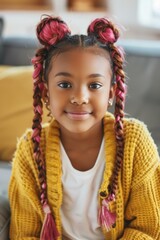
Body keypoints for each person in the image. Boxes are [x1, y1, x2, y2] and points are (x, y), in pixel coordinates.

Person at [8, 15, 160, 240]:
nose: (79, 97)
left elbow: (147, 228)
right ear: (46, 92)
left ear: (110, 93)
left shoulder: (135, 142)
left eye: (95, 85)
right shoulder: (30, 150)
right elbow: (24, 233)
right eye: (65, 84)